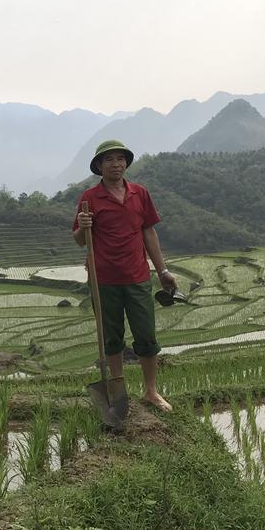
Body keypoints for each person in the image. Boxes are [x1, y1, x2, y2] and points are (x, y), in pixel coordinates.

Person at [73, 139, 176, 411]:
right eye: (109, 160)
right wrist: (83, 226)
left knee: (146, 335)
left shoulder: (139, 194)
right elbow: (80, 241)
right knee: (112, 337)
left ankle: (151, 392)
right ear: (99, 166)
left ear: (126, 163)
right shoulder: (89, 198)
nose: (116, 164)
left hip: (137, 277)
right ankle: (118, 392)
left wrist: (162, 270)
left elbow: (149, 233)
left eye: (120, 159)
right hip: (103, 279)